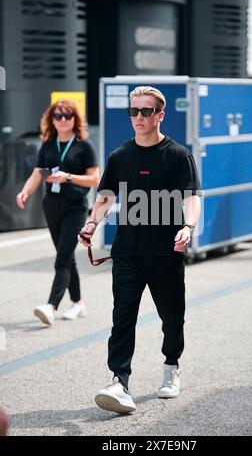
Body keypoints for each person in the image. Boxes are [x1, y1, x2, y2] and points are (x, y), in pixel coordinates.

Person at [78, 86, 201, 414]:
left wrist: (187, 227)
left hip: (166, 253)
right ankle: (119, 380)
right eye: (134, 111)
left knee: (172, 317)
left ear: (160, 115)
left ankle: (171, 367)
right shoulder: (120, 156)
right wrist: (92, 225)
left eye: (146, 111)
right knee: (122, 318)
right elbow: (105, 197)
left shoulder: (178, 155)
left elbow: (191, 197)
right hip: (128, 253)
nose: (139, 117)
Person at [16, 100, 100, 325]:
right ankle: (79, 303)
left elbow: (95, 178)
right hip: (51, 205)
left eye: (68, 115)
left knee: (62, 258)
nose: (63, 120)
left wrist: (69, 177)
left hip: (75, 206)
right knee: (67, 256)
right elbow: (36, 173)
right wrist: (24, 192)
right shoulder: (48, 145)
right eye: (58, 116)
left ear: (75, 119)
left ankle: (51, 306)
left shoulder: (84, 146)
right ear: (52, 120)